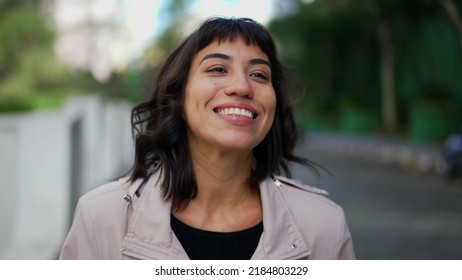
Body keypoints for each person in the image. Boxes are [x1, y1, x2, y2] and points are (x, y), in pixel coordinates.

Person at [59, 17, 355, 260]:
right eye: (217, 69)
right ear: (178, 96)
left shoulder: (324, 225)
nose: (242, 86)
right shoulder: (102, 218)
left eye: (259, 75)